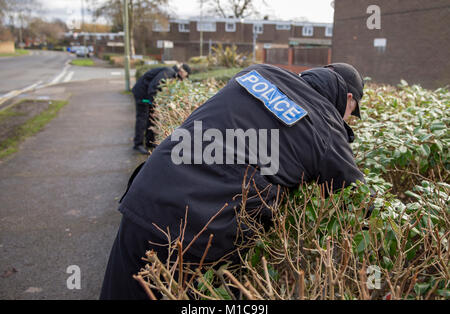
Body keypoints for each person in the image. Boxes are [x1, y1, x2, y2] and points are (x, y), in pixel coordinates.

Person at [100, 62, 366, 299]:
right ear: (349, 99)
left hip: (148, 191)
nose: (347, 120)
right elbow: (357, 198)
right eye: (352, 112)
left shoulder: (258, 72)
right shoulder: (327, 127)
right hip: (195, 234)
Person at [131, 63, 191, 154]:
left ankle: (149, 143)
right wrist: (154, 104)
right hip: (142, 93)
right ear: (182, 72)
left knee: (150, 118)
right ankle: (137, 144)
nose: (182, 80)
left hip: (147, 94)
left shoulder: (171, 73)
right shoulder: (169, 72)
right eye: (185, 77)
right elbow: (153, 87)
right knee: (142, 118)